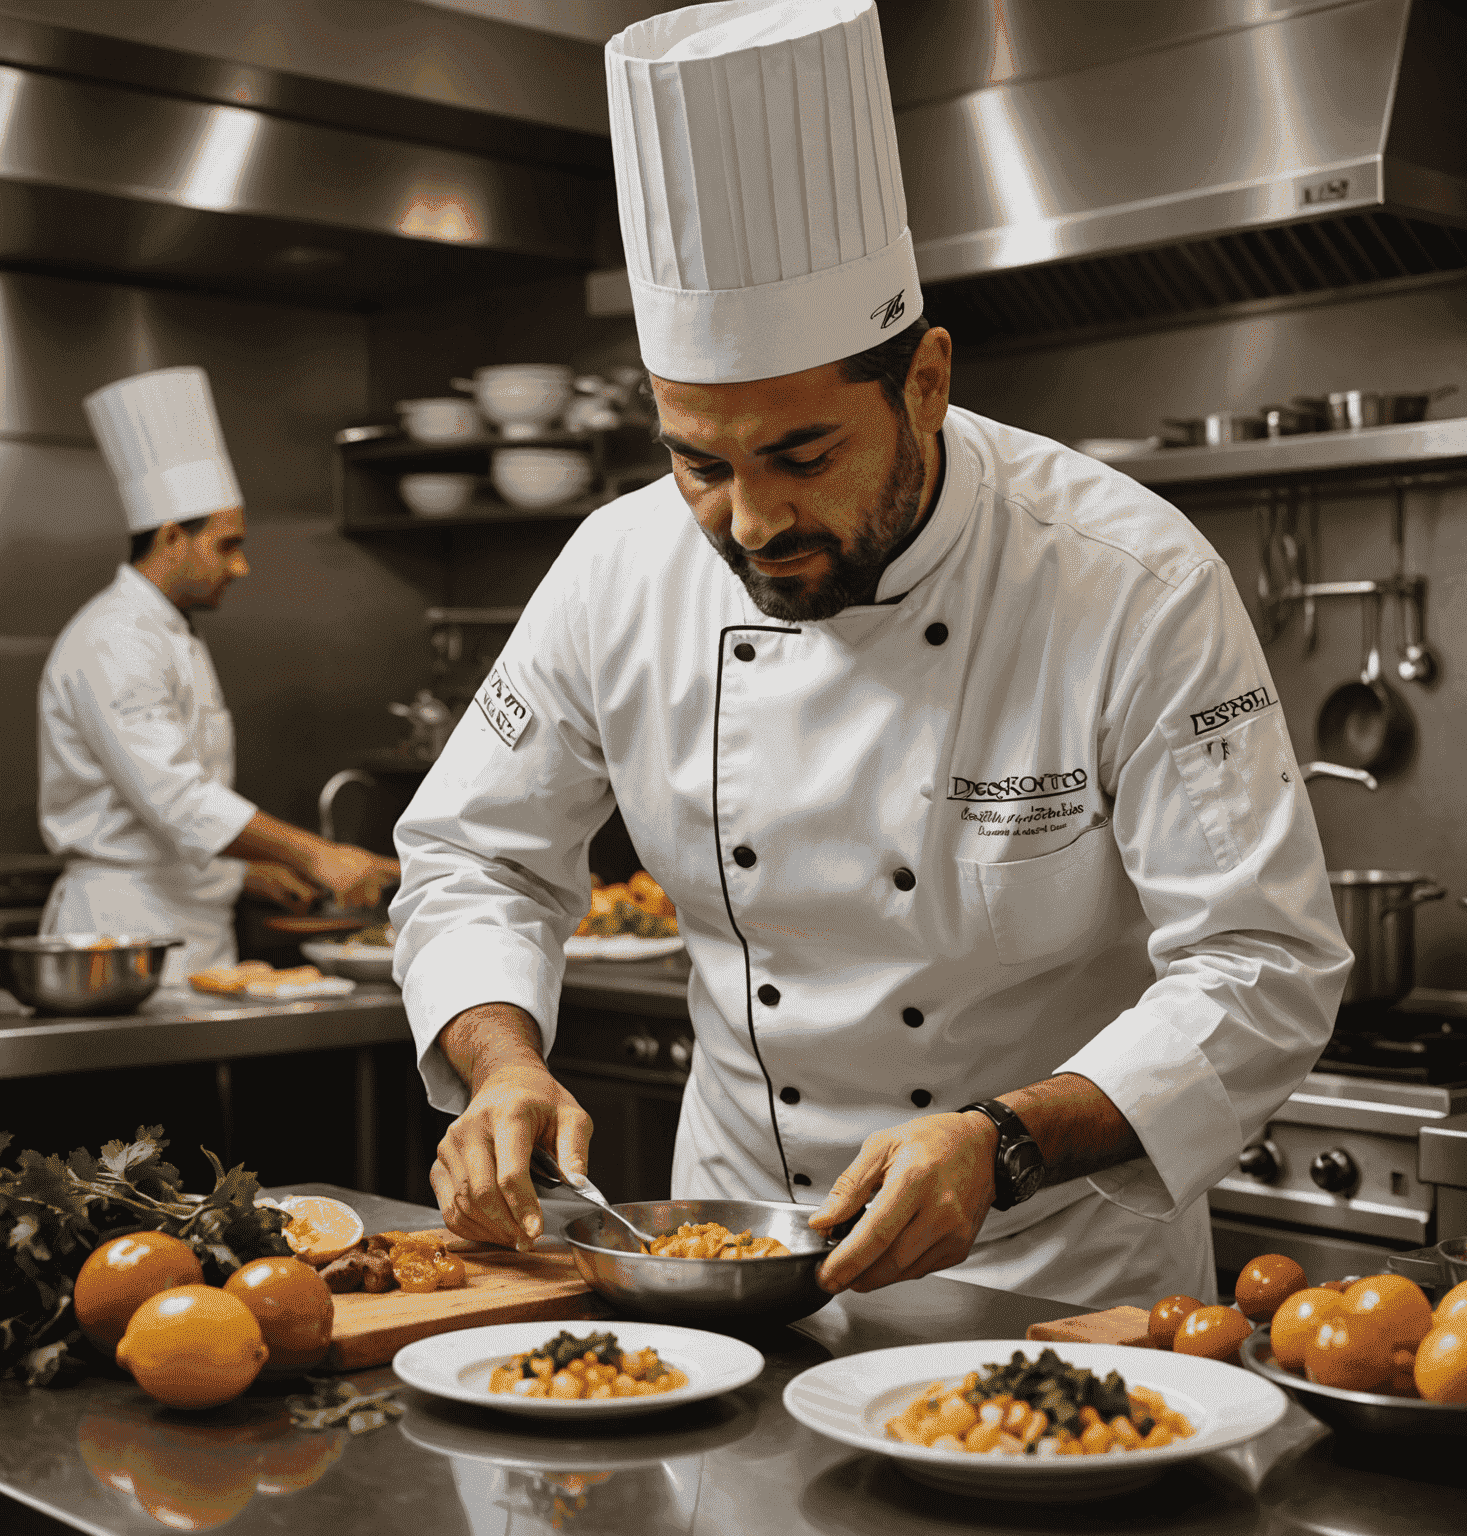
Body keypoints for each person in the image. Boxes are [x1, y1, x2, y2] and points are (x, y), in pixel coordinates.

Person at [390, 0, 1352, 1307]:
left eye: (801, 455)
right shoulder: (622, 566)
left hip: (1057, 1286)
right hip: (725, 1270)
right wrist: (501, 1060)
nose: (752, 519)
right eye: (698, 465)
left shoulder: (1130, 577)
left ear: (926, 383)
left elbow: (1263, 965)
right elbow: (474, 852)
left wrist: (1000, 1144)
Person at [38, 366, 398, 983]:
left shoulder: (169, 631)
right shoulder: (115, 640)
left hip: (188, 929)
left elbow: (162, 816)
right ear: (174, 536)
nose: (242, 567)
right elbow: (176, 799)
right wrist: (318, 855)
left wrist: (250, 874)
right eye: (226, 545)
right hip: (120, 932)